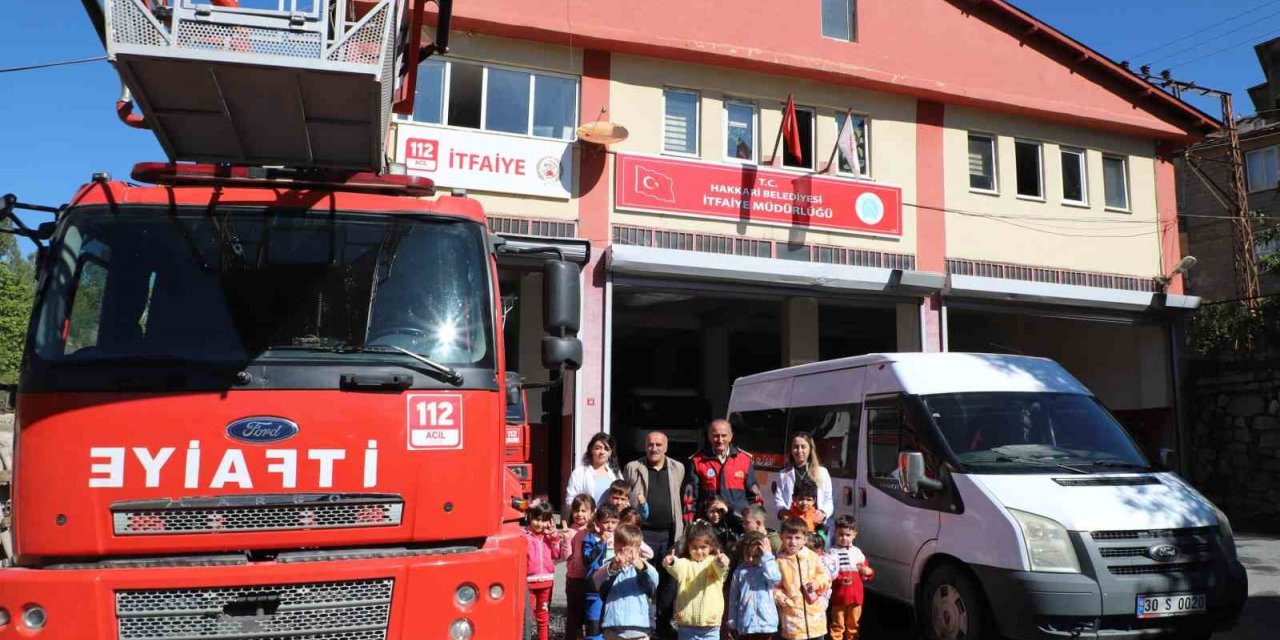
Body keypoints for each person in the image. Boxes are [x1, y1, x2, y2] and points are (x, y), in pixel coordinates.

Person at [624, 430, 685, 640]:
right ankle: (641, 629)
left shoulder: (678, 468)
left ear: (666, 447)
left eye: (659, 445)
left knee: (668, 583)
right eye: (650, 444)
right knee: (642, 579)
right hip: (643, 534)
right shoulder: (633, 468)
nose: (654, 448)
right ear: (645, 446)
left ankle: (663, 630)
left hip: (669, 534)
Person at [682, 419, 763, 524]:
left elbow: (755, 497)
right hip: (709, 524)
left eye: (724, 435)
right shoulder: (698, 461)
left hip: (738, 522)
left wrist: (756, 523)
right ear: (709, 437)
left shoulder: (743, 460)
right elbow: (690, 499)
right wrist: (690, 525)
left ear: (731, 437)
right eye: (715, 435)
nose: (720, 440)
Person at [663, 521, 730, 640]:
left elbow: (721, 567)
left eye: (703, 547)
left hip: (711, 625)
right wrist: (671, 561)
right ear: (688, 547)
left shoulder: (713, 563)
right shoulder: (686, 564)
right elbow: (677, 566)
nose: (699, 552)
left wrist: (722, 560)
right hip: (687, 625)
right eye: (694, 547)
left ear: (711, 546)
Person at [593, 523, 660, 640]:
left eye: (629, 551)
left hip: (639, 627)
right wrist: (613, 567)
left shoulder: (642, 567)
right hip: (612, 627)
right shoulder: (610, 565)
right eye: (620, 550)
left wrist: (641, 565)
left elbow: (654, 581)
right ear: (614, 548)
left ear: (638, 550)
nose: (624, 554)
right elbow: (596, 580)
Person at [774, 517, 830, 640]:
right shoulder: (779, 562)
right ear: (781, 537)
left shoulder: (812, 557)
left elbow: (825, 577)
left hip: (815, 620)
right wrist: (780, 597)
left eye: (797, 538)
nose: (793, 542)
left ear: (805, 539)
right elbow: (776, 586)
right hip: (794, 621)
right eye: (789, 537)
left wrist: (816, 583)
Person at [824, 516, 875, 640]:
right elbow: (828, 576)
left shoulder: (857, 552)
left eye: (848, 535)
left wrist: (868, 572)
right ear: (835, 533)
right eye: (841, 534)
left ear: (854, 535)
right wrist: (840, 579)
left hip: (856, 598)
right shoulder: (831, 553)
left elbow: (867, 573)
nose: (844, 538)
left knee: (853, 625)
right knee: (837, 625)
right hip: (839, 598)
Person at [726, 531, 781, 640]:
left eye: (756, 556)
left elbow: (775, 578)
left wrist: (767, 556)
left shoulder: (766, 568)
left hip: (766, 623)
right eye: (748, 555)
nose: (751, 559)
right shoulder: (739, 572)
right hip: (746, 624)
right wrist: (732, 622)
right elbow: (733, 598)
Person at [522, 501, 563, 640]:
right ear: (530, 517)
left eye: (544, 520)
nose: (539, 524)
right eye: (536, 519)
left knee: (543, 617)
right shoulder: (524, 536)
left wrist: (554, 538)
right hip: (528, 584)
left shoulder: (550, 537)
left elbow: (557, 555)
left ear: (550, 521)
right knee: (526, 618)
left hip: (546, 583)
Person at [774, 432, 833, 527]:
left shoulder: (822, 472)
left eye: (803, 447)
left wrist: (823, 513)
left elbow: (828, 499)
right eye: (795, 447)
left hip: (815, 526)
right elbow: (779, 500)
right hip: (792, 526)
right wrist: (783, 512)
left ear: (810, 449)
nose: (799, 450)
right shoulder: (784, 474)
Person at [582, 504, 622, 640]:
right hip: (595, 589)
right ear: (598, 523)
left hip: (614, 587)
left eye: (613, 522)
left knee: (612, 624)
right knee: (594, 624)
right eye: (606, 522)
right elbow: (587, 560)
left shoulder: (619, 540)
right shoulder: (590, 539)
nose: (610, 526)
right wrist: (601, 544)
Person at [562, 493, 598, 640]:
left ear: (592, 512)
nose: (579, 514)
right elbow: (566, 557)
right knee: (574, 616)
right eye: (576, 510)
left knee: (590, 615)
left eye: (584, 511)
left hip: (592, 578)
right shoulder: (570, 531)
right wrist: (565, 539)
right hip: (575, 579)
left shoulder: (595, 530)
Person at [568, 432, 625, 507]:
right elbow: (570, 500)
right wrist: (585, 511)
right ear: (591, 449)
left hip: (610, 518)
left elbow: (624, 496)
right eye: (598, 448)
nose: (602, 452)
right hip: (588, 518)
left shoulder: (616, 474)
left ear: (610, 453)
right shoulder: (579, 473)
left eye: (606, 449)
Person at [781, 478, 827, 545]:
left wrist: (820, 538)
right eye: (801, 499)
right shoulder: (788, 516)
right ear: (794, 498)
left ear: (814, 501)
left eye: (808, 500)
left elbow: (823, 531)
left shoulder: (816, 515)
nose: (804, 503)